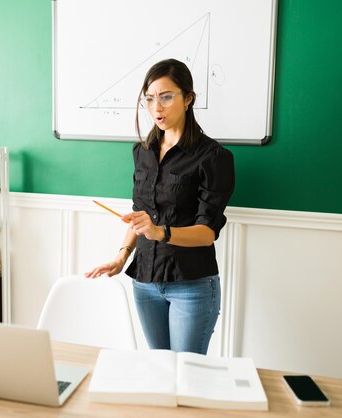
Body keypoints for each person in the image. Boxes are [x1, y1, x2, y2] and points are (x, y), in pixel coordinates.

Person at [85, 58, 235, 355]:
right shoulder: (142, 152)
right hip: (144, 283)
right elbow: (139, 216)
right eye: (150, 99)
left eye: (166, 97)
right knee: (158, 368)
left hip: (191, 286)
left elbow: (207, 233)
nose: (157, 108)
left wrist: (161, 232)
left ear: (188, 98)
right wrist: (121, 256)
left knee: (186, 374)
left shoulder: (213, 157)